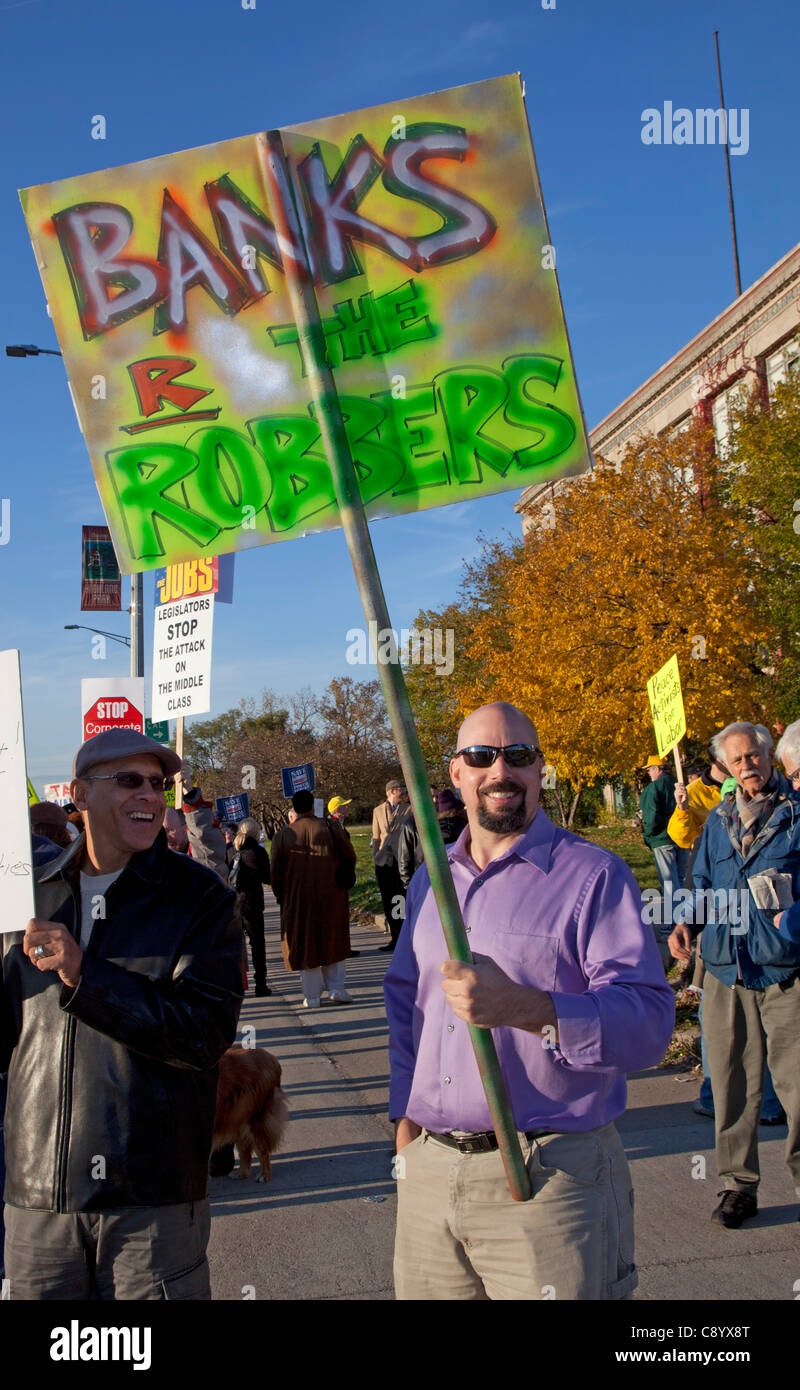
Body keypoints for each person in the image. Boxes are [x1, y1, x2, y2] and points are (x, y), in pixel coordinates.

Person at [384, 702, 674, 1300]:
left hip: (548, 1181)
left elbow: (648, 1025)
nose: (501, 770)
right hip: (430, 1176)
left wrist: (526, 1007)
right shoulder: (428, 882)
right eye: (481, 756)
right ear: (457, 773)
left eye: (519, 756)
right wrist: (404, 1118)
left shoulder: (594, 877)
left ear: (540, 769)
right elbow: (405, 1000)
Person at [0, 728, 244, 1299]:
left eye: (157, 783)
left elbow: (202, 1034)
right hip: (39, 1201)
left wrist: (87, 975)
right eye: (128, 780)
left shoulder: (201, 899)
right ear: (81, 795)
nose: (150, 795)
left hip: (150, 1202)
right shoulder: (27, 898)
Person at [668, 720, 800, 1229]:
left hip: (785, 970)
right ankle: (737, 1186)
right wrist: (685, 921)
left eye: (756, 756)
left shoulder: (795, 816)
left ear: (770, 758)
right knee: (731, 1084)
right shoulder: (719, 821)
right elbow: (700, 882)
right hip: (726, 969)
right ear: (726, 765)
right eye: (738, 759)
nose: (748, 766)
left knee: (796, 1087)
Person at [271, 789, 356, 1008]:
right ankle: (336, 987)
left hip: (298, 898)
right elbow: (349, 855)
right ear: (312, 806)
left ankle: (311, 996)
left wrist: (283, 897)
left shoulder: (283, 835)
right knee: (333, 938)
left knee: (306, 943)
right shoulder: (331, 827)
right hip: (331, 892)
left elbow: (276, 873)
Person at [229, 817, 272, 997]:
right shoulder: (257, 852)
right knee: (257, 945)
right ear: (255, 832)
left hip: (237, 904)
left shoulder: (236, 852)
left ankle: (236, 982)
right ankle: (260, 984)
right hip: (252, 904)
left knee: (236, 946)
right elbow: (267, 878)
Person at [371, 780, 412, 953]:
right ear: (391, 791)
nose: (403, 792)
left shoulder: (409, 809)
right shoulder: (378, 810)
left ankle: (403, 937)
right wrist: (376, 855)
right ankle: (394, 937)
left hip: (401, 858)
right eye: (400, 790)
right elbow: (376, 834)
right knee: (388, 899)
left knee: (401, 898)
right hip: (383, 860)